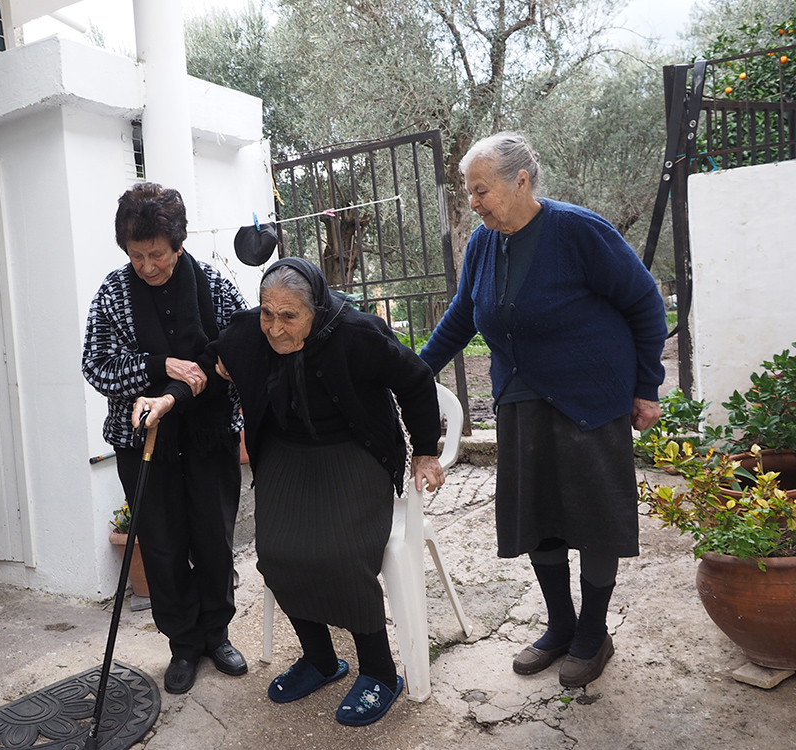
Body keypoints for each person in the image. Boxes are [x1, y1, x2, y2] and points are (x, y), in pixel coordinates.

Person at [134, 257, 444, 727]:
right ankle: (320, 660)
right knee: (277, 554)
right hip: (287, 452)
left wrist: (424, 452)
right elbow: (206, 370)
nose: (275, 328)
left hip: (355, 452)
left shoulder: (357, 334)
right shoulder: (247, 334)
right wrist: (166, 398)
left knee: (341, 556)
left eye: (289, 316)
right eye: (267, 313)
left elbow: (416, 380)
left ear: (315, 310)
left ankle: (380, 672)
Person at [419, 132, 666, 688]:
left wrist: (647, 386)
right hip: (522, 397)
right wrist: (416, 369)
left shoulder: (578, 230)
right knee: (539, 518)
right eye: (469, 192)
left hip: (590, 397)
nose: (473, 202)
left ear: (521, 181)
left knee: (596, 521)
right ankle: (560, 626)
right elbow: (463, 314)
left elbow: (644, 302)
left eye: (481, 190)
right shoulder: (483, 243)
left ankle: (593, 634)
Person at [81, 182, 249, 695]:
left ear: (178, 244)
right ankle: (183, 643)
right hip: (144, 445)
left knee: (214, 541)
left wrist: (212, 372)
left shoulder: (215, 286)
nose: (147, 266)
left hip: (209, 438)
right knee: (162, 546)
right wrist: (160, 366)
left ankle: (217, 634)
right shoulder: (113, 293)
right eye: (136, 256)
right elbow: (96, 366)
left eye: (156, 254)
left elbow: (240, 349)